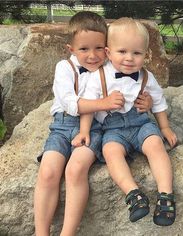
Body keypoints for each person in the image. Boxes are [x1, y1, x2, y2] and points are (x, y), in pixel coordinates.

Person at [34, 12, 152, 236]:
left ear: (107, 48)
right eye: (84, 49)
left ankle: (67, 233)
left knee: (76, 169)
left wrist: (147, 100)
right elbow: (69, 103)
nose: (92, 55)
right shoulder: (64, 68)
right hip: (62, 126)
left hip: (95, 129)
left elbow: (135, 83)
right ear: (71, 49)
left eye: (99, 48)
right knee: (48, 171)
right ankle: (41, 232)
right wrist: (103, 102)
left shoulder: (112, 66)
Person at [73, 17, 178, 227]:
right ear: (108, 52)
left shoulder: (147, 77)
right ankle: (133, 194)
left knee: (156, 145)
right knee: (111, 152)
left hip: (140, 124)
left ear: (146, 55)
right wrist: (85, 130)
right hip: (112, 129)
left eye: (136, 53)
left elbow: (158, 101)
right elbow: (89, 107)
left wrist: (164, 127)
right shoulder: (98, 76)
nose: (129, 58)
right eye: (122, 52)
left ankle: (166, 195)